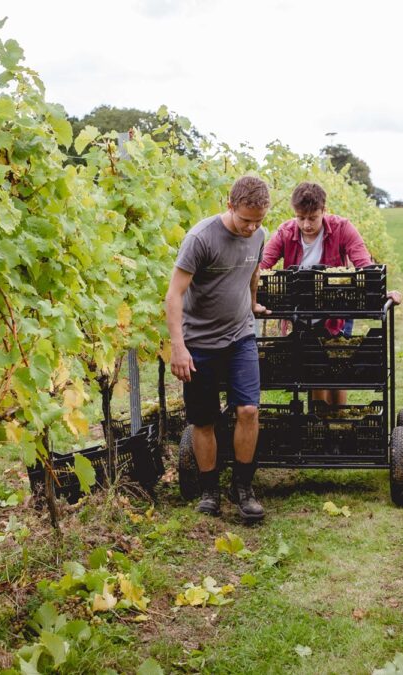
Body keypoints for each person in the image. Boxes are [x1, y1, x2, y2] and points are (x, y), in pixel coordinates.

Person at [165, 176, 271, 523]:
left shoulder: (258, 235)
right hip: (199, 342)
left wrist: (253, 304)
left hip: (240, 336)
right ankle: (210, 490)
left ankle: (243, 488)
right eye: (245, 220)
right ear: (230, 206)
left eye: (258, 220)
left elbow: (253, 271)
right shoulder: (201, 238)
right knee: (204, 419)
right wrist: (178, 347)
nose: (252, 227)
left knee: (249, 411)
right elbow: (175, 294)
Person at [260, 181, 402, 408]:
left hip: (336, 310)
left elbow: (363, 264)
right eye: (300, 217)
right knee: (316, 371)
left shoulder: (342, 228)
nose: (306, 224)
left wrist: (383, 291)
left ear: (323, 211)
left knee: (337, 369)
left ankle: (338, 421)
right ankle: (322, 424)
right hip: (302, 313)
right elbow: (262, 267)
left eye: (312, 218)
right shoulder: (285, 232)